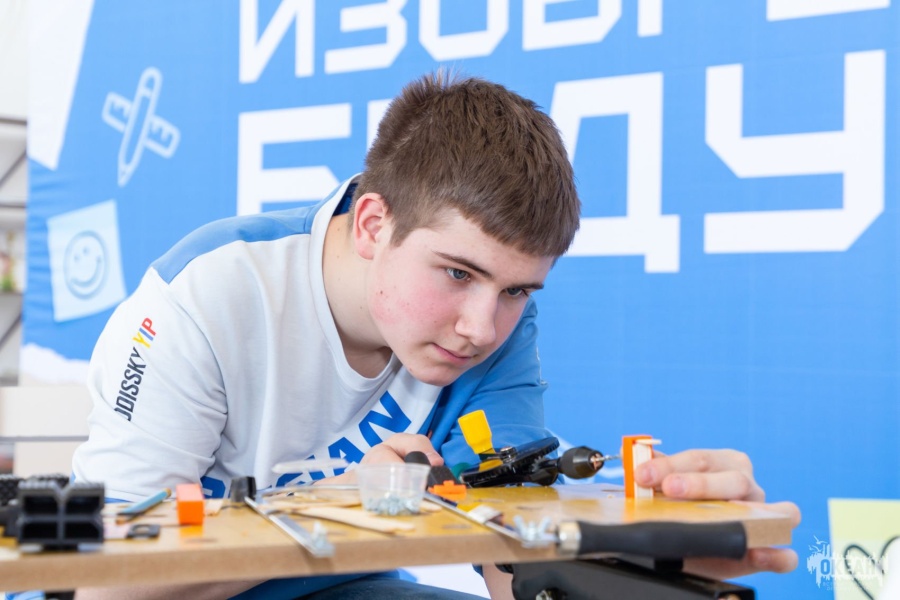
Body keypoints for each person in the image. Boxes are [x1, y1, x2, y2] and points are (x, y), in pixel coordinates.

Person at [70, 72, 799, 600]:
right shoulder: (202, 298)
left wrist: (649, 569)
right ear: (372, 225)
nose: (481, 328)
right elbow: (106, 587)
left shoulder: (499, 326)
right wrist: (337, 509)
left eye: (516, 290)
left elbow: (511, 561)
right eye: (456, 273)